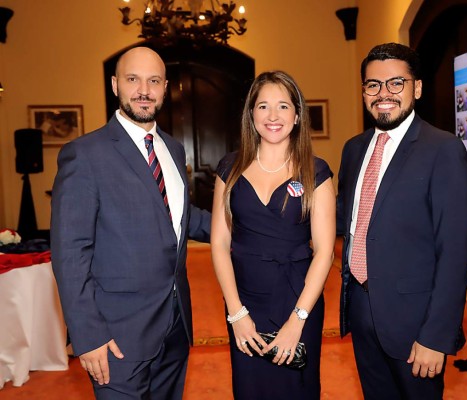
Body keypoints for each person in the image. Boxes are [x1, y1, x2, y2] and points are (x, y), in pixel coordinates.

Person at [50, 46, 211, 400]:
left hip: (174, 323)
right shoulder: (85, 154)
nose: (144, 90)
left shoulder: (172, 148)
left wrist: (253, 224)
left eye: (153, 81)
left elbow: (182, 217)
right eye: (133, 79)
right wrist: (87, 335)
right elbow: (69, 253)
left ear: (165, 87)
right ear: (114, 85)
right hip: (116, 337)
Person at [336, 42, 467, 399]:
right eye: (373, 85)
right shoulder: (353, 150)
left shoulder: (442, 149)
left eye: (396, 83)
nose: (384, 94)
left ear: (417, 88)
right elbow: (347, 221)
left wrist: (436, 335)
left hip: (416, 323)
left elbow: (455, 253)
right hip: (362, 311)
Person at [211, 70, 336, 399]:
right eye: (263, 106)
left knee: (297, 389)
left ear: (297, 115)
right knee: (250, 388)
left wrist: (298, 321)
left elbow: (325, 251)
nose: (273, 115)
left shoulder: (316, 170)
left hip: (299, 298)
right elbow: (220, 244)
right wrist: (236, 313)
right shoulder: (230, 168)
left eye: (283, 106)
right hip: (245, 300)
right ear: (251, 115)